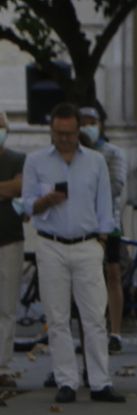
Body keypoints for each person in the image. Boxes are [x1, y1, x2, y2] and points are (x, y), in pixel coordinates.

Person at [23, 103, 118, 404]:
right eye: (59, 133)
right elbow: (26, 205)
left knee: (93, 317)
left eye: (70, 133)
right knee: (57, 316)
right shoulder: (36, 161)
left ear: (78, 131)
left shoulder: (95, 161)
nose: (64, 138)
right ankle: (66, 380)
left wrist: (101, 241)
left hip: (88, 244)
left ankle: (101, 382)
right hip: (51, 243)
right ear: (51, 131)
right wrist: (45, 201)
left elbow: (106, 205)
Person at [79, 106, 127, 354]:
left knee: (112, 274)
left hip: (109, 222)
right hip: (82, 225)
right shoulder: (75, 154)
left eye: (91, 121)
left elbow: (116, 186)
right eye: (83, 122)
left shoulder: (112, 153)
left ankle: (115, 331)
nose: (87, 126)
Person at [0, 112, 23, 382]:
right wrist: (8, 188)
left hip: (10, 239)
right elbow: (12, 189)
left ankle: (3, 366)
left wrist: (14, 188)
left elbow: (22, 188)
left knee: (7, 306)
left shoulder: (19, 159)